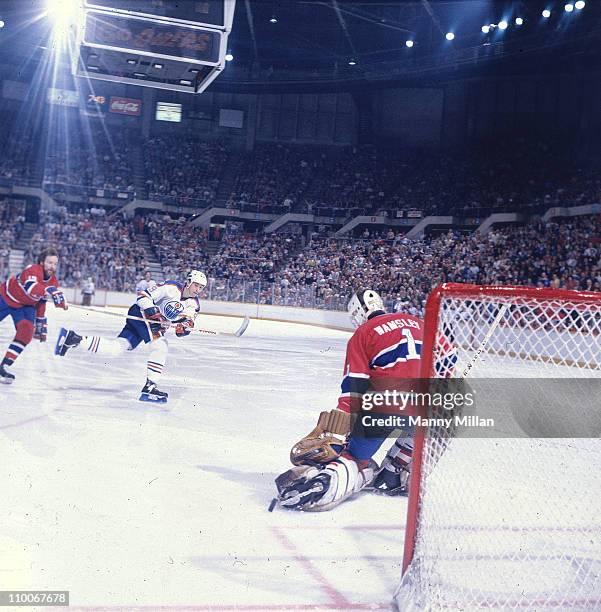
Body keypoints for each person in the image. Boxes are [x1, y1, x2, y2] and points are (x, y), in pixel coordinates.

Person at [275, 288, 456, 511]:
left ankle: (325, 484)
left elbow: (355, 385)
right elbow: (449, 358)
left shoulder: (364, 333)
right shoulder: (418, 322)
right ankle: (394, 474)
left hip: (384, 406)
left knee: (354, 458)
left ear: (359, 313)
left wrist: (342, 427)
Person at [55, 270, 207, 403]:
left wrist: (184, 328)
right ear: (188, 282)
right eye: (196, 285)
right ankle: (150, 387)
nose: (198, 289)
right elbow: (142, 296)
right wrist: (153, 311)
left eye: (201, 287)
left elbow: (188, 322)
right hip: (140, 314)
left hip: (151, 323)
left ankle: (73, 339)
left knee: (117, 348)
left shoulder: (193, 305)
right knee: (160, 346)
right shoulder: (171, 287)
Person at [0, 247, 68, 384]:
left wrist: (40, 323)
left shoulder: (53, 281)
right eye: (49, 263)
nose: (52, 266)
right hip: (5, 297)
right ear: (42, 262)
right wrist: (49, 290)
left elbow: (41, 301)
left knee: (26, 332)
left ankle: (4, 366)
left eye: (55, 263)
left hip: (25, 306)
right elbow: (31, 286)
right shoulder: (33, 269)